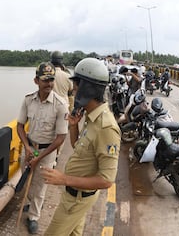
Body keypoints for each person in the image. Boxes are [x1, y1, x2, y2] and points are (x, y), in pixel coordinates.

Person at [41, 58, 121, 236]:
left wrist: (63, 179)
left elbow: (107, 180)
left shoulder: (106, 127)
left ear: (87, 89)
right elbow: (78, 147)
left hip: (77, 200)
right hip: (75, 195)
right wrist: (73, 126)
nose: (74, 94)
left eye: (76, 89)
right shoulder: (92, 116)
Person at [16, 62, 68, 234]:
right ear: (36, 80)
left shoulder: (60, 105)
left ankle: (33, 217)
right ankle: (32, 203)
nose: (49, 84)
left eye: (51, 80)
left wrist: (39, 156)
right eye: (45, 80)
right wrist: (27, 147)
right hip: (30, 149)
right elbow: (19, 126)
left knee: (40, 186)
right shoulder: (28, 100)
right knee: (28, 182)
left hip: (46, 153)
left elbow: (61, 138)